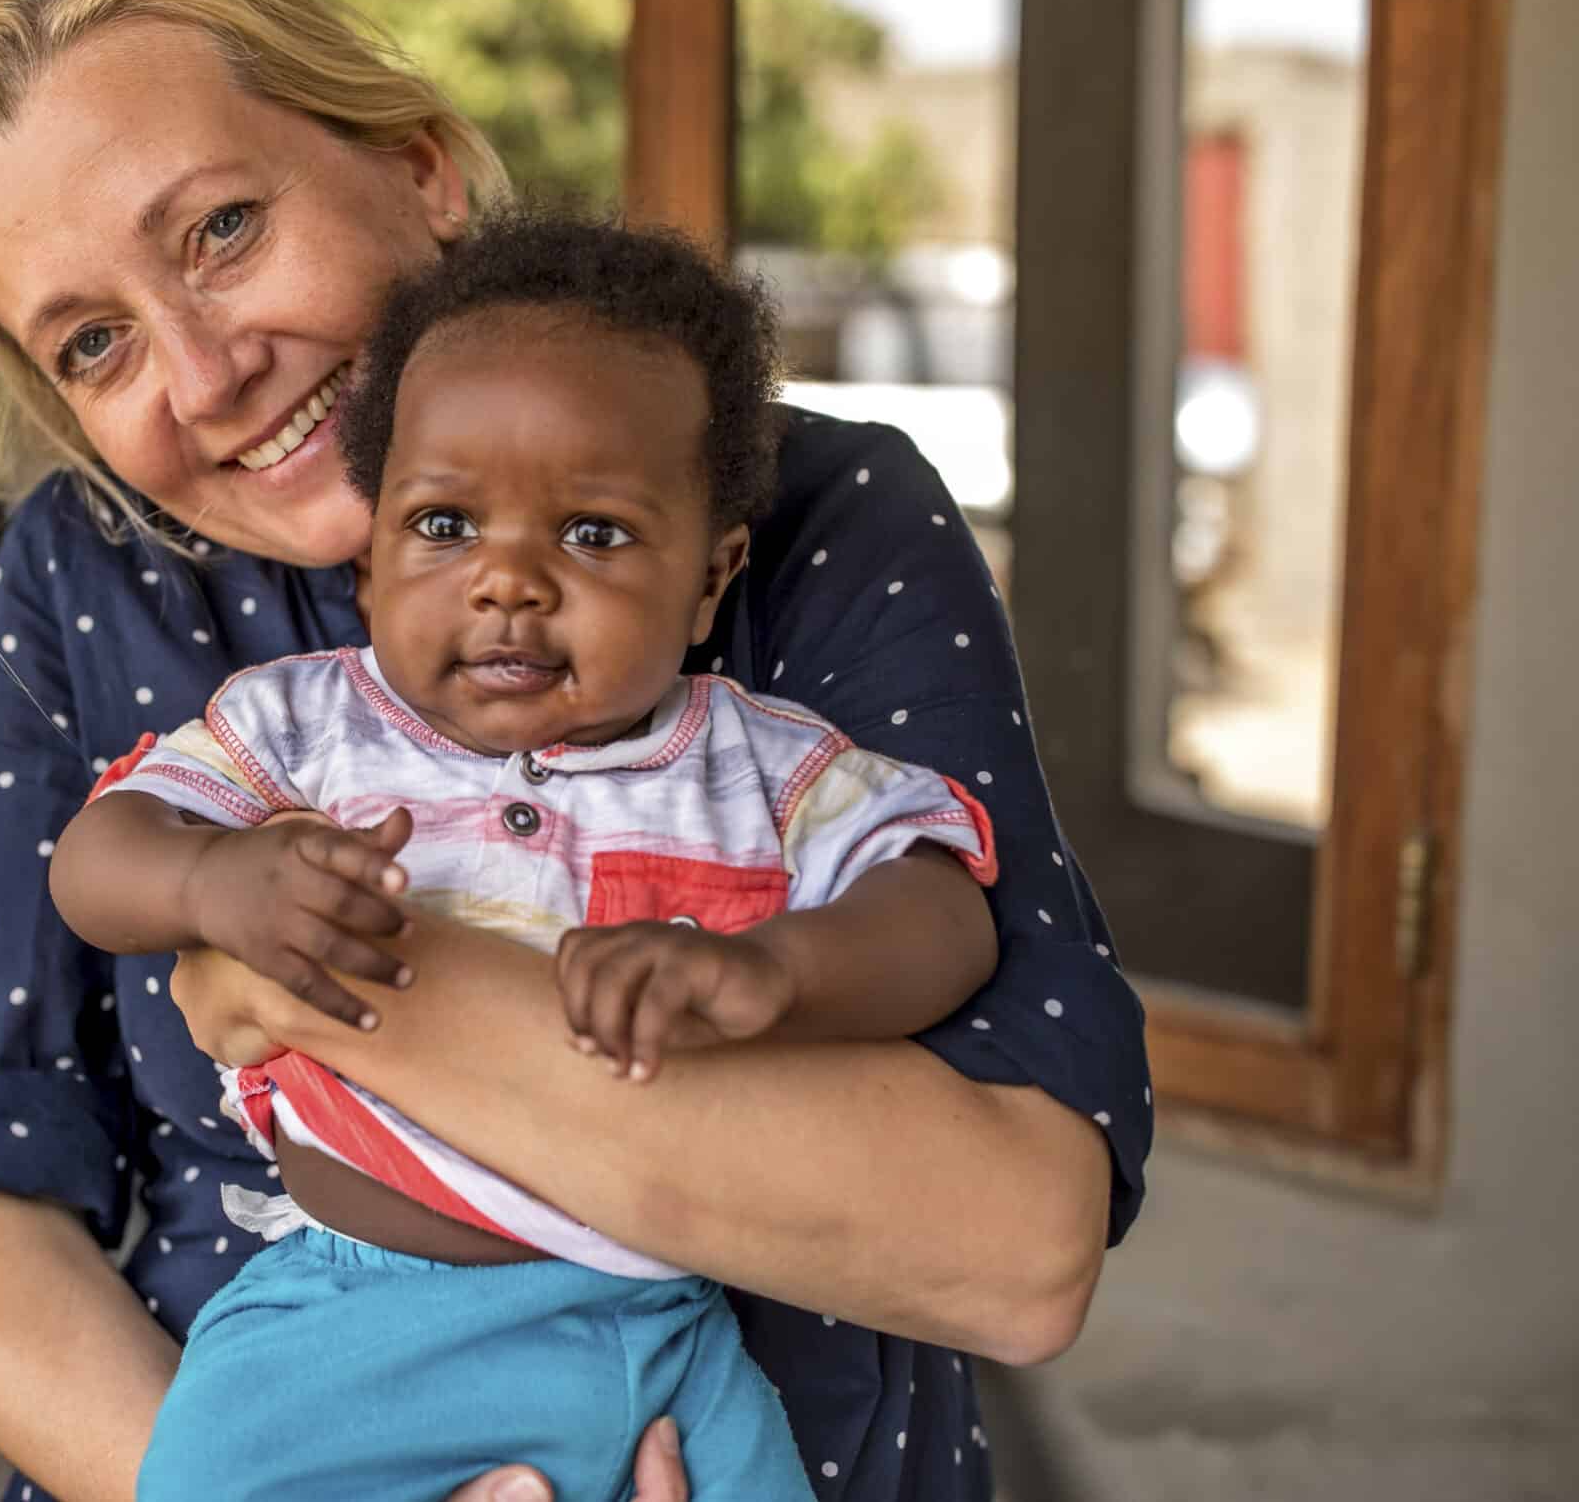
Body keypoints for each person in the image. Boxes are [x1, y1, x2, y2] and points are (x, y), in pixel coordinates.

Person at [0, 0, 1150, 1502]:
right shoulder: (93, 575)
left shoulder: (808, 513)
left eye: (223, 229)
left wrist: (335, 994)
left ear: (418, 170)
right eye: (97, 342)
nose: (201, 372)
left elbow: (1008, 1243)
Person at [54, 215, 1005, 1502]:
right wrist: (210, 884)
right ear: (374, 547)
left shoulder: (762, 769)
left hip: (661, 1326)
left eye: (595, 535)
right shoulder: (301, 727)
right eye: (443, 525)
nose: (508, 583)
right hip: (348, 1321)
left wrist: (781, 972)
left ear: (711, 576)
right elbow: (95, 859)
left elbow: (942, 917)